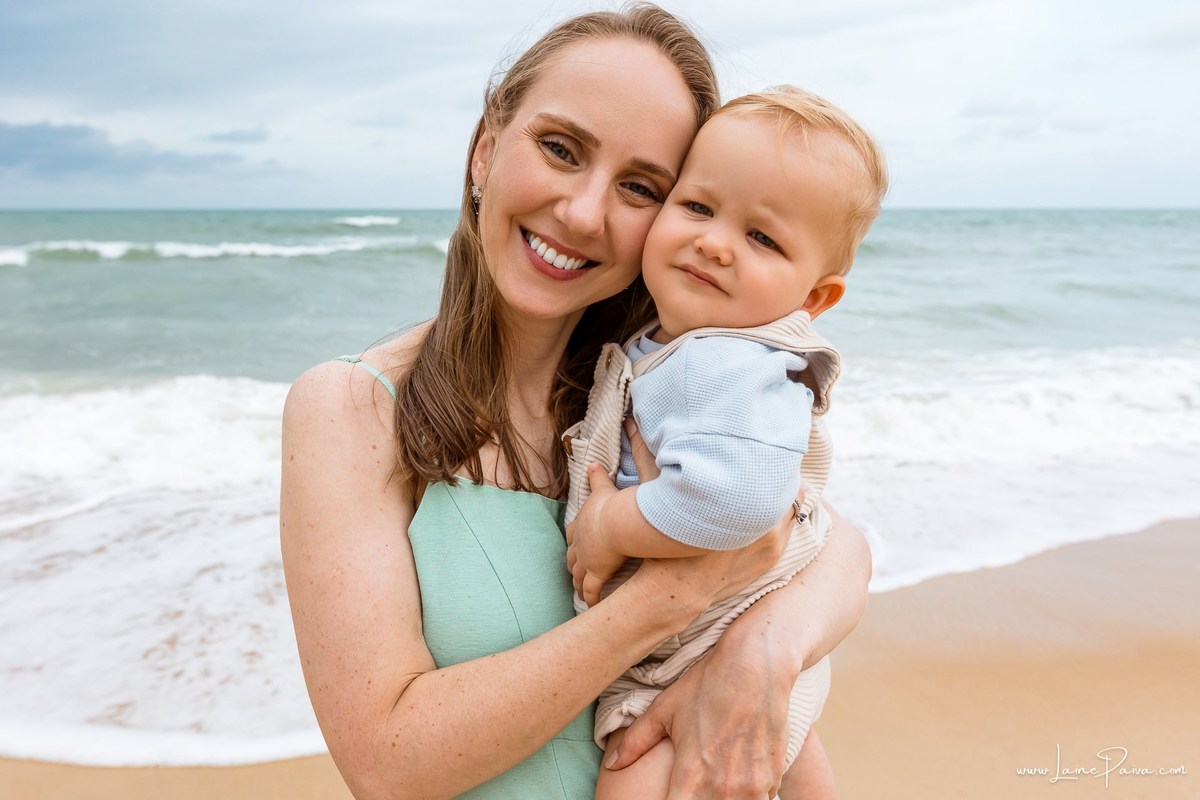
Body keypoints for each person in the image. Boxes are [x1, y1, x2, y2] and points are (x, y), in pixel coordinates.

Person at [280, 6, 872, 799]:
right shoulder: (351, 409)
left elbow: (831, 540)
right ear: (485, 150)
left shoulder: (650, 388)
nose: (585, 213)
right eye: (561, 149)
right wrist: (667, 602)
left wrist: (764, 648)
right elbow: (387, 764)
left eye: (640, 187)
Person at [562, 86, 888, 799]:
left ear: (814, 298)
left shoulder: (729, 362)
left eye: (762, 238)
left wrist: (610, 525)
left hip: (700, 643)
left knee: (632, 781)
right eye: (698, 206)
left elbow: (736, 501)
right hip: (723, 631)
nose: (714, 242)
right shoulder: (682, 342)